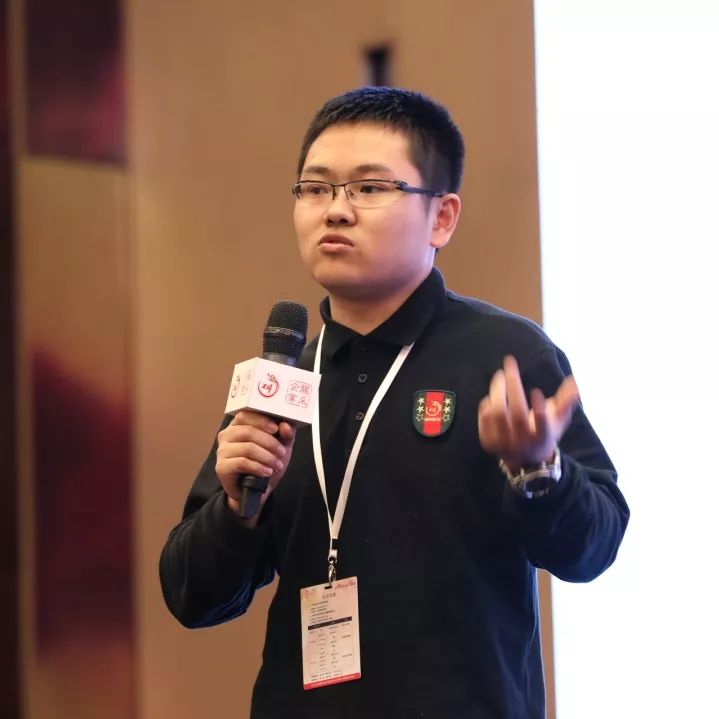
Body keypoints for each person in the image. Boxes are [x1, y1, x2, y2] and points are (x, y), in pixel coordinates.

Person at [160, 86, 629, 719]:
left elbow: (592, 549)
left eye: (370, 187)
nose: (336, 210)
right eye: (315, 188)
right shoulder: (281, 379)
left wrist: (537, 468)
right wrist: (235, 513)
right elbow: (191, 596)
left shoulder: (505, 355)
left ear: (442, 217)